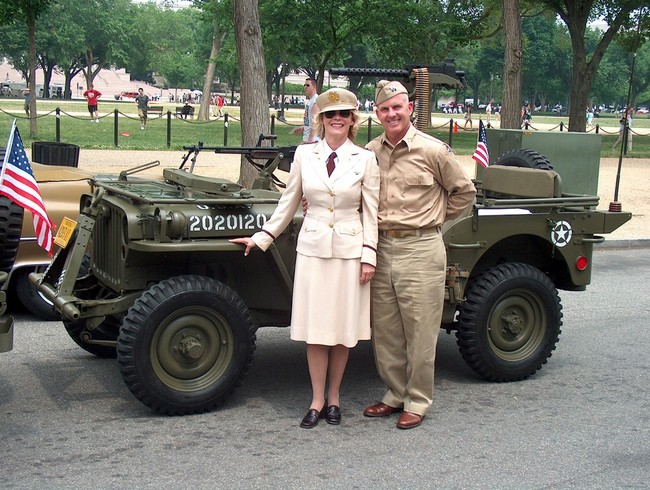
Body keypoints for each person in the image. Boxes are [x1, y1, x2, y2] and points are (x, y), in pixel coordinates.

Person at [230, 88, 380, 429]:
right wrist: (262, 236)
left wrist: (369, 254)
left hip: (349, 253)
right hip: (313, 251)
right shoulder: (304, 155)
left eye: (343, 113)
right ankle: (315, 399)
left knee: (342, 331)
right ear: (321, 119)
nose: (337, 119)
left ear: (353, 120)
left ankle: (335, 398)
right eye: (330, 114)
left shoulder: (365, 159)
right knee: (316, 331)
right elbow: (288, 202)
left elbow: (371, 213)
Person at [363, 80, 476, 430]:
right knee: (386, 330)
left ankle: (417, 399)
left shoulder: (433, 151)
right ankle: (394, 393)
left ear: (409, 108)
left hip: (421, 248)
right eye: (384, 109)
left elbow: (464, 192)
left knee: (420, 330)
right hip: (381, 247)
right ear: (377, 114)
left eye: (397, 107)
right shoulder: (370, 151)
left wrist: (433, 219)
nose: (391, 113)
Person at [291, 78, 320, 143]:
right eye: (304, 85)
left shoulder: (316, 100)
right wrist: (303, 127)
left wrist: (310, 139)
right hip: (307, 138)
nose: (305, 87)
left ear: (314, 87)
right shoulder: (310, 101)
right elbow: (309, 121)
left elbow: (315, 121)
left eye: (308, 85)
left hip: (313, 140)